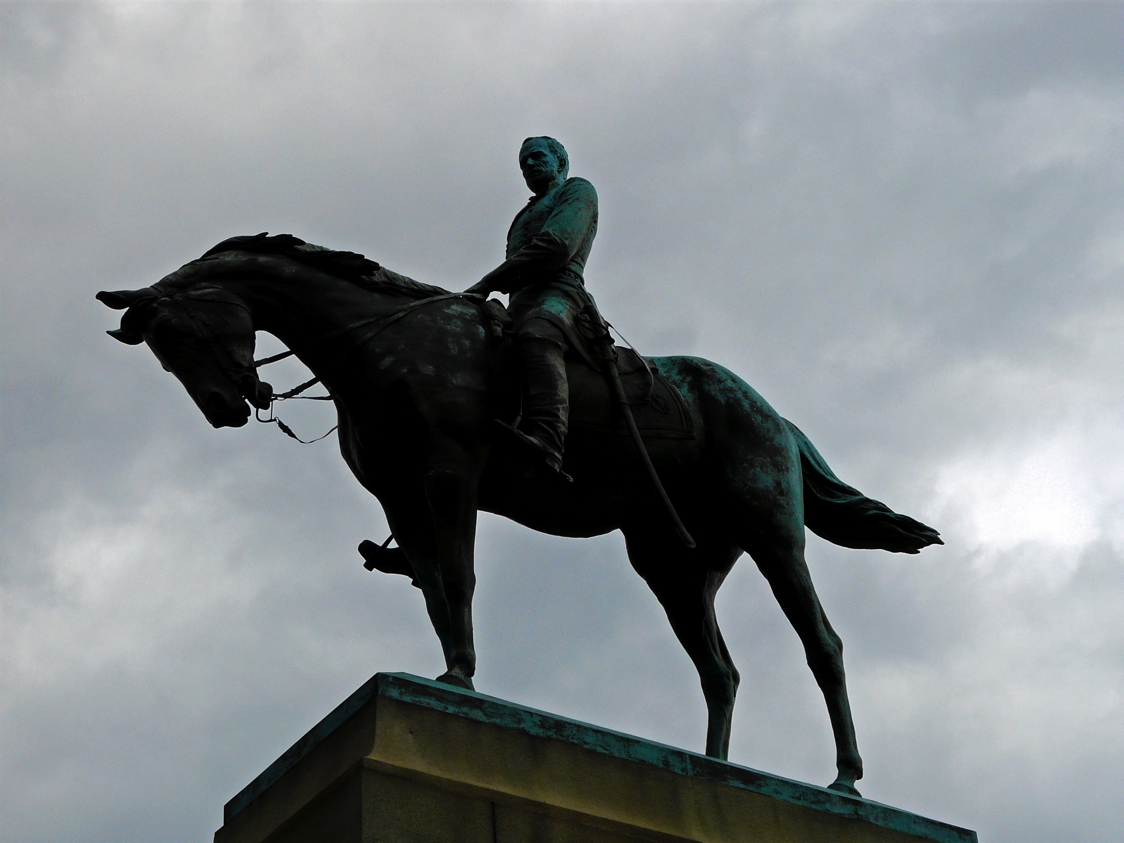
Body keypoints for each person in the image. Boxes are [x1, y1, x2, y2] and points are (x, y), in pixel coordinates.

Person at [466, 137, 598, 475]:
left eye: (536, 158)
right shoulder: (523, 214)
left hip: (559, 292)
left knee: (539, 332)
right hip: (517, 303)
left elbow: (555, 247)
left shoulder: (577, 191)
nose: (529, 167)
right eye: (523, 164)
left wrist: (489, 282)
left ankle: (548, 439)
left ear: (559, 162)